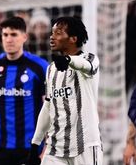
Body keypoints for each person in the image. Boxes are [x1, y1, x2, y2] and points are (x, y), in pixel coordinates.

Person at [28, 16, 102, 165]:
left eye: (58, 33)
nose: (52, 36)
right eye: (52, 32)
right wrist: (35, 143)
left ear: (73, 38)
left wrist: (69, 60)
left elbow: (85, 66)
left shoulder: (90, 59)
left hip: (85, 145)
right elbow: (48, 106)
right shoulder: (51, 69)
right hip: (55, 148)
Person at [0, 17, 48, 165]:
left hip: (31, 149)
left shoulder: (39, 67)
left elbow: (49, 112)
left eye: (13, 35)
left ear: (24, 37)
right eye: (5, 35)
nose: (9, 39)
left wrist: (46, 151)